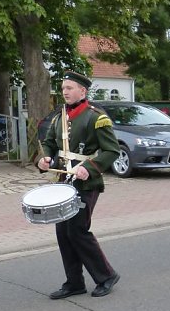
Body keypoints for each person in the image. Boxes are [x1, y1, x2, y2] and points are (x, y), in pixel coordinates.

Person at [37, 71, 121, 298]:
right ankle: (74, 283)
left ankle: (106, 275)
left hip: (87, 183)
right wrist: (45, 159)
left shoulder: (96, 117)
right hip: (63, 184)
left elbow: (112, 151)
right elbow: (49, 144)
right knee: (63, 233)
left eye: (70, 87)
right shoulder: (58, 117)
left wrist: (90, 168)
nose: (65, 91)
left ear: (82, 91)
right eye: (63, 87)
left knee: (77, 231)